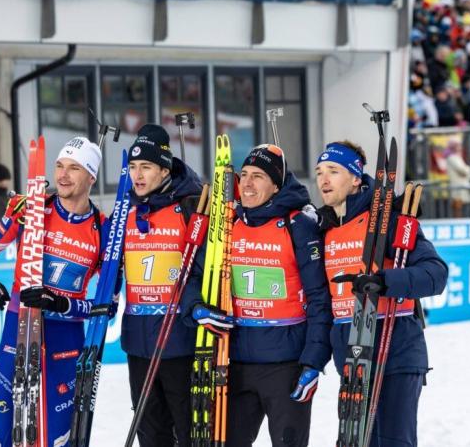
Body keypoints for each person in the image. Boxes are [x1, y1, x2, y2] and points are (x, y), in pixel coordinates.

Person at [0, 136, 112, 447]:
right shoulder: (30, 208)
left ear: (91, 177)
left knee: (58, 435)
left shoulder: (104, 229)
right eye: (59, 166)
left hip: (65, 337)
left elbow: (106, 307)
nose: (63, 175)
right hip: (19, 325)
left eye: (74, 168)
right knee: (0, 428)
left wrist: (62, 304)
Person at [181, 144, 330, 447]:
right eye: (244, 175)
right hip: (233, 363)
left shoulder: (297, 224)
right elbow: (196, 275)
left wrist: (313, 362)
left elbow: (319, 298)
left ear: (276, 184)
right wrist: (195, 307)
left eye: (258, 176)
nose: (247, 184)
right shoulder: (227, 223)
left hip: (286, 366)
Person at [314, 141, 448, 447]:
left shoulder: (388, 220)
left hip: (395, 350)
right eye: (320, 171)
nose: (324, 179)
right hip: (353, 357)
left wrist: (383, 282)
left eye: (334, 171)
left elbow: (435, 274)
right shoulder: (324, 228)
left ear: (356, 178)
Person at [122, 124, 203, 446]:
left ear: (164, 169)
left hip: (179, 341)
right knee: (151, 432)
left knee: (186, 430)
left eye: (146, 167)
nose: (137, 175)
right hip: (138, 342)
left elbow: (203, 272)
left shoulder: (189, 207)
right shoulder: (127, 212)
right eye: (132, 167)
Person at [444, 140, 470, 217]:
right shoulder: (452, 158)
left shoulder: (455, 157)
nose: (460, 147)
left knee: (461, 208)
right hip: (458, 187)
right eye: (458, 145)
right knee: (458, 208)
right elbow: (463, 170)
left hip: (461, 186)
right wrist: (469, 169)